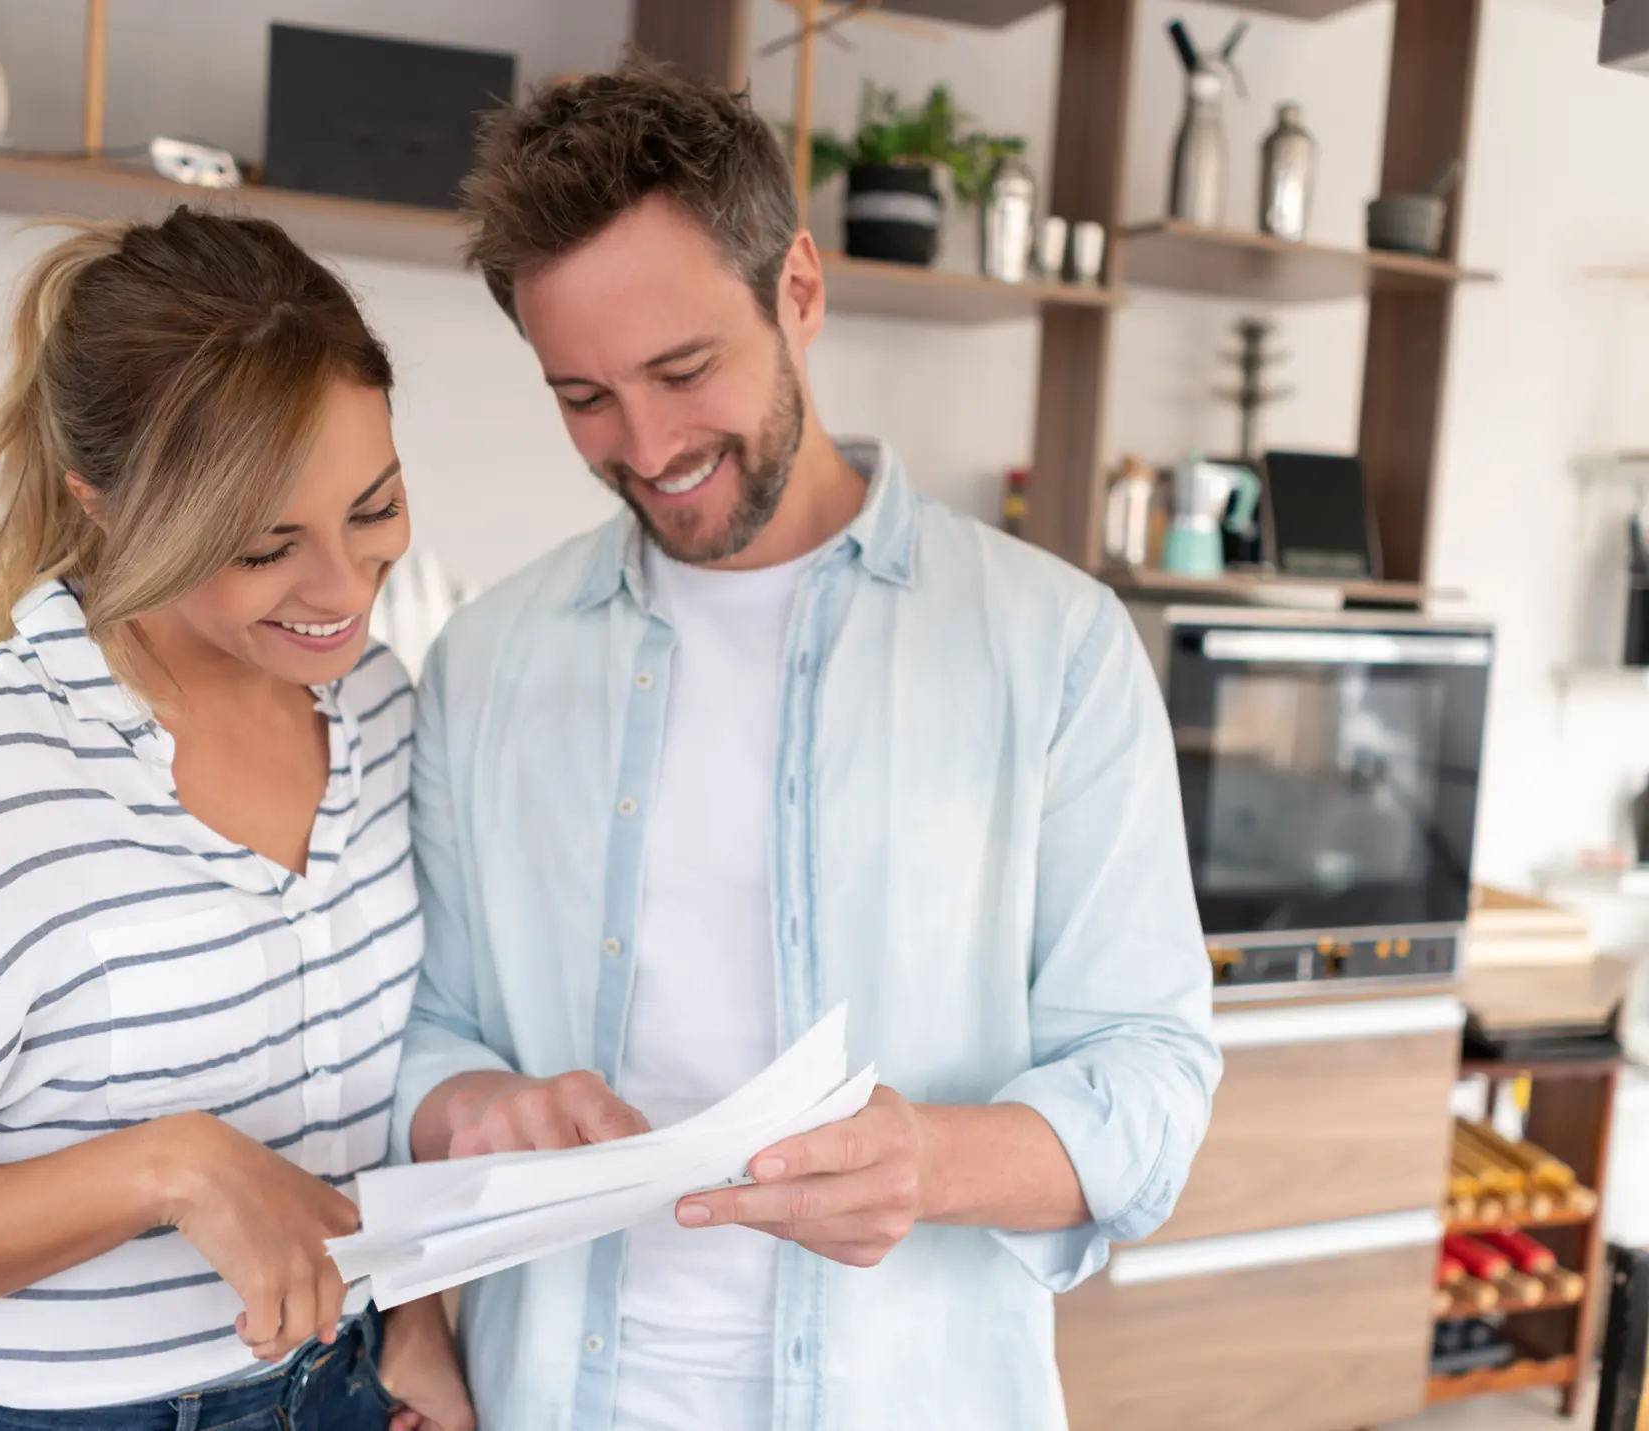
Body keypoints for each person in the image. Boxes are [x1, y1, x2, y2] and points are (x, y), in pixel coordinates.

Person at [392, 66, 1222, 1430]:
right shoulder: (485, 663)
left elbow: (1153, 1074)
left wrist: (933, 1159)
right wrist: (472, 1105)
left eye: (683, 369)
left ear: (801, 291)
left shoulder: (1052, 644)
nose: (646, 445)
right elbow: (428, 1036)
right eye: (583, 395)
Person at [0, 209, 472, 1431]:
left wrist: (413, 1330)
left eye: (373, 509)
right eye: (265, 544)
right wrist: (161, 1169)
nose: (342, 589)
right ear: (108, 507)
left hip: (339, 1384)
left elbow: (361, 1091)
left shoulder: (376, 708)